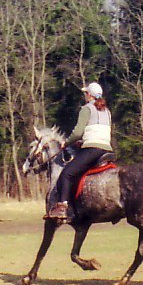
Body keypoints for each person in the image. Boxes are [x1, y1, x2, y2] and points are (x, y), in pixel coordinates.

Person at [47, 82, 113, 219]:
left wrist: (67, 142)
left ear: (89, 95)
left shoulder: (86, 109)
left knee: (67, 173)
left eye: (85, 93)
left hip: (92, 150)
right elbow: (98, 132)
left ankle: (63, 208)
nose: (84, 96)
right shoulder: (107, 111)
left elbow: (77, 132)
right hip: (107, 149)